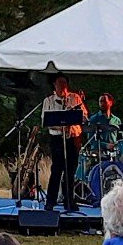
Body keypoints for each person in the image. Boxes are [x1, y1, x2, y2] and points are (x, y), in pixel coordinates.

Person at [39, 76, 88, 212]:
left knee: (70, 171)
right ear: (54, 84)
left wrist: (76, 117)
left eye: (65, 82)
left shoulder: (75, 98)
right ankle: (51, 201)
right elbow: (46, 120)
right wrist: (60, 125)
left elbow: (84, 116)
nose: (63, 85)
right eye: (60, 83)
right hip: (57, 138)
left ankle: (69, 201)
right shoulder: (48, 101)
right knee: (57, 170)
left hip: (72, 138)